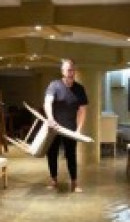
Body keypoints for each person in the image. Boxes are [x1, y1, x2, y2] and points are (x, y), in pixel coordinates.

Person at [44, 58, 88, 192]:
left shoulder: (79, 88)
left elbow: (82, 110)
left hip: (70, 128)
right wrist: (51, 119)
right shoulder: (54, 85)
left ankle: (74, 182)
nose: (71, 72)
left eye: (73, 70)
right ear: (62, 71)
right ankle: (53, 179)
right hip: (54, 127)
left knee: (71, 154)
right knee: (52, 153)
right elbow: (47, 103)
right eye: (68, 70)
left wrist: (79, 130)